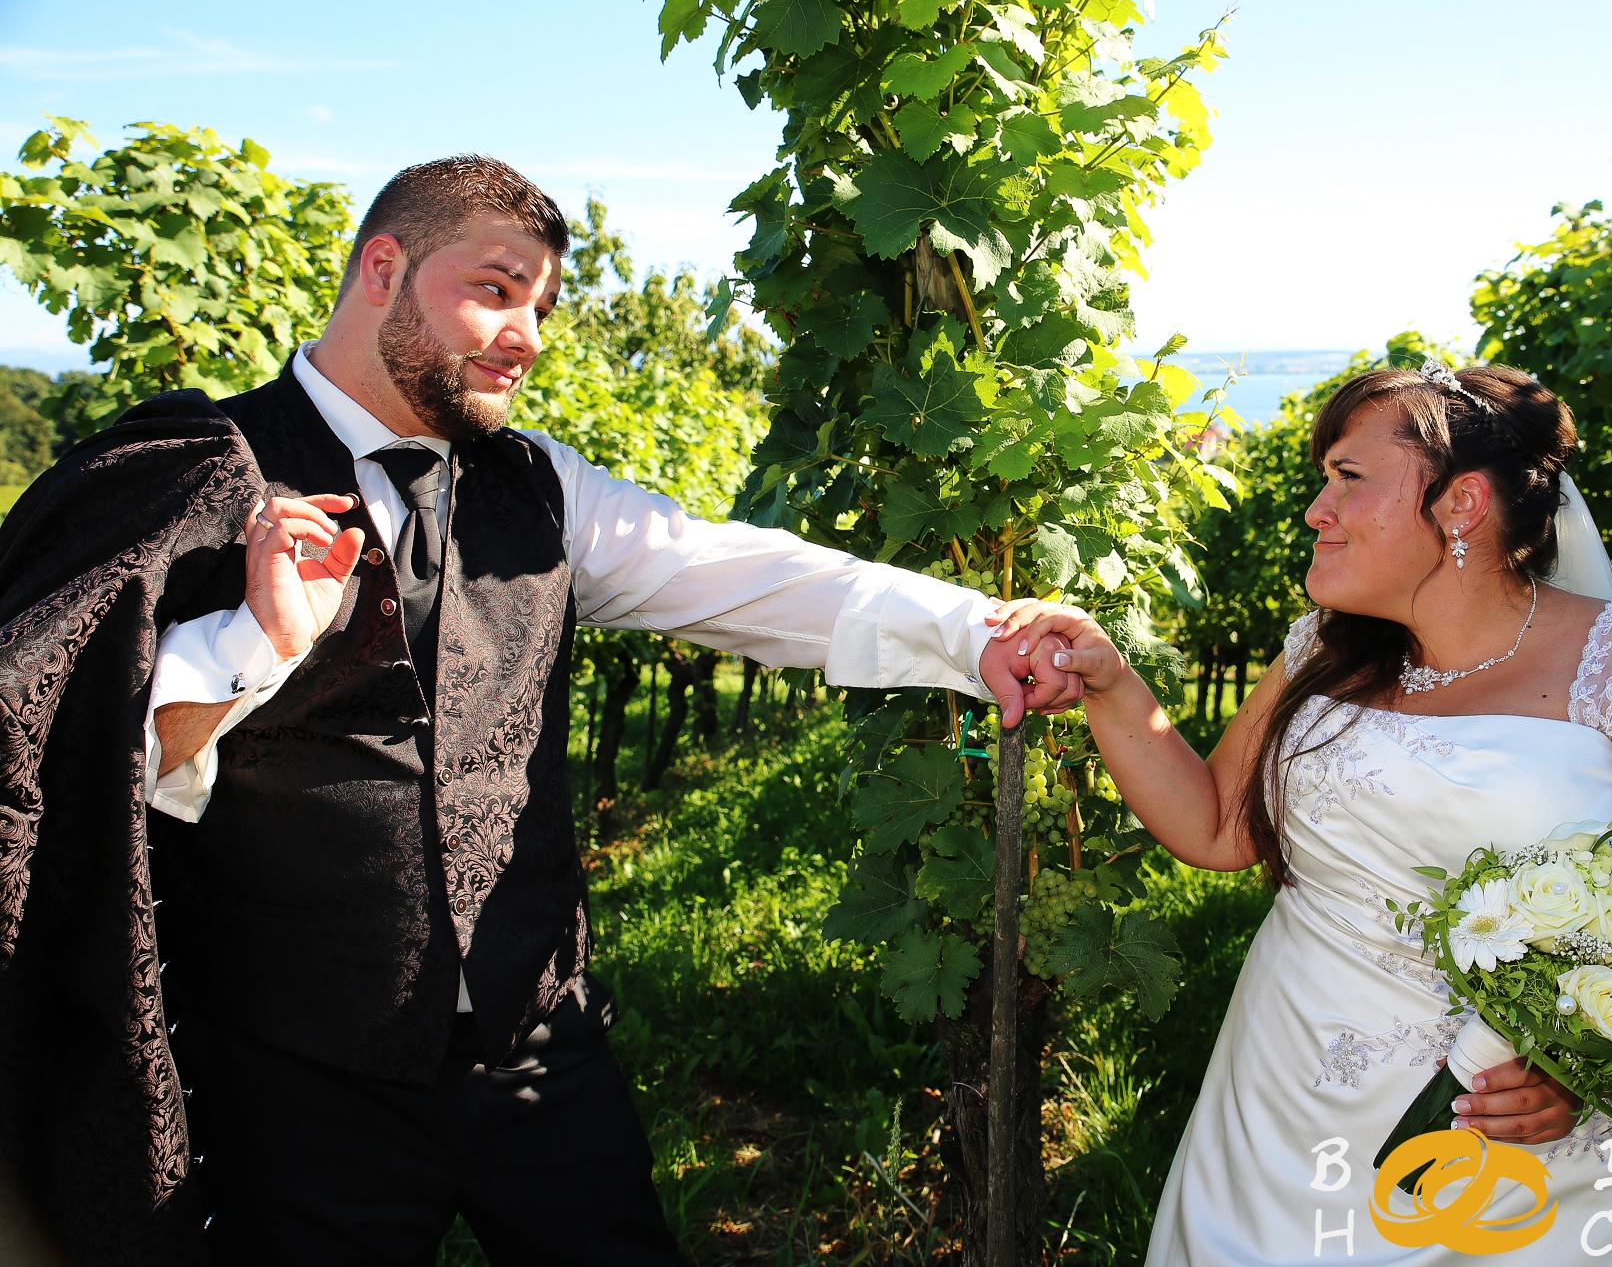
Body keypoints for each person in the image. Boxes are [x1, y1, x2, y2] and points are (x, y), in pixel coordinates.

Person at [0, 155, 1073, 1265]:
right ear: (385, 267)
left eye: (543, 307)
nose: (529, 334)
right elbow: (93, 768)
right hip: (296, 1080)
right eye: (497, 289)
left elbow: (742, 575)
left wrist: (977, 633)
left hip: (539, 1052)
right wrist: (258, 641)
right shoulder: (206, 471)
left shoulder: (539, 485)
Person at [992, 363, 1612, 1263]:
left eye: (1348, 479)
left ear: (1462, 506)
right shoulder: (1327, 652)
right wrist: (1110, 683)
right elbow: (1217, 826)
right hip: (1279, 1113)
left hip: (1531, 1180)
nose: (1314, 511)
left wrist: (1595, 1054)